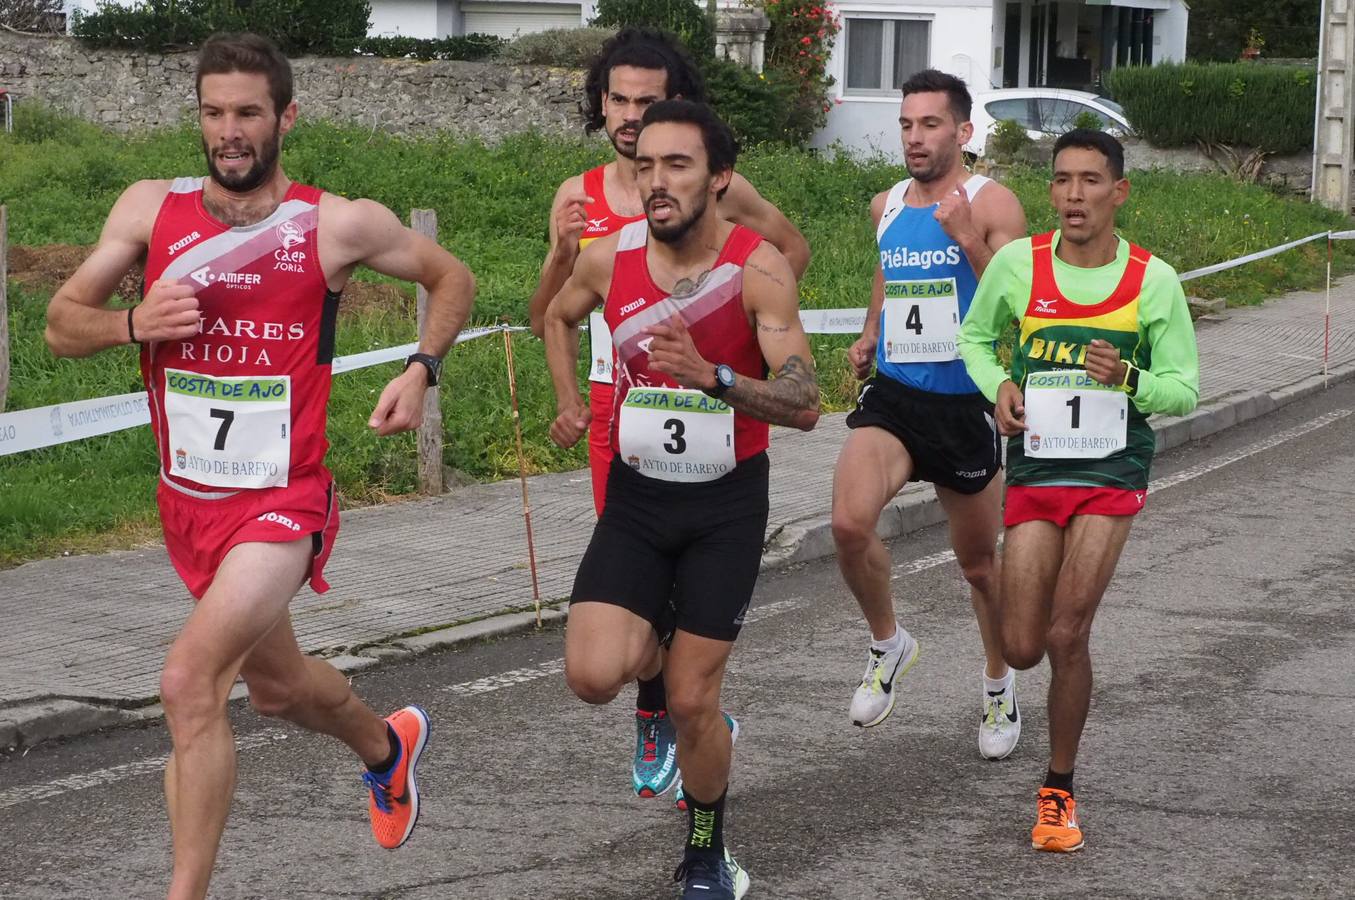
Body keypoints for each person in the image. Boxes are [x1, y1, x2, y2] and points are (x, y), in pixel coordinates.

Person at [43, 33, 476, 898]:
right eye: (213, 113)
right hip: (187, 502)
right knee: (276, 690)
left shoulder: (332, 221)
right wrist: (134, 325)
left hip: (283, 501)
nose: (229, 131)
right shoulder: (147, 212)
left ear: (285, 116)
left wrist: (419, 370)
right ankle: (385, 747)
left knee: (188, 683)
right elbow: (60, 325)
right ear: (197, 117)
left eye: (247, 112)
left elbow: (450, 276)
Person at [527, 25, 810, 806]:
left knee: (695, 687)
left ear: (713, 175)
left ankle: (700, 776)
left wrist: (732, 346)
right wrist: (569, 395)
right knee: (604, 651)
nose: (652, 172)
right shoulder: (590, 222)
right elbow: (548, 312)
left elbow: (804, 387)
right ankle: (665, 694)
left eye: (648, 107)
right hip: (631, 442)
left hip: (721, 459)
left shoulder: (744, 237)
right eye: (619, 104)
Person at [957, 129, 1199, 852]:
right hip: (1037, 467)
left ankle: (1057, 790)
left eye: (1090, 181)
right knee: (1023, 644)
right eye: (1061, 180)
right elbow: (973, 339)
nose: (1072, 195)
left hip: (1108, 472)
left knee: (1067, 632)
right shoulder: (1017, 265)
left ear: (1118, 193)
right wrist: (996, 385)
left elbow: (1183, 390)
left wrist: (1127, 379)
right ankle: (1012, 683)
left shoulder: (1152, 280)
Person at [829, 70, 1028, 759]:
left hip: (963, 402)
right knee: (848, 524)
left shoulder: (992, 201)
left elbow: (1020, 303)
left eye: (930, 125)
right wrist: (867, 333)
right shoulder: (885, 204)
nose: (915, 138)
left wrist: (969, 238)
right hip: (895, 396)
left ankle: (998, 684)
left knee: (978, 566)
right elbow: (889, 278)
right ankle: (889, 643)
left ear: (963, 133)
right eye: (906, 125)